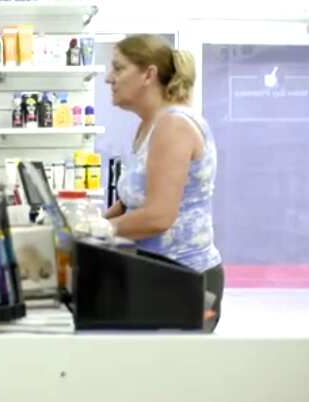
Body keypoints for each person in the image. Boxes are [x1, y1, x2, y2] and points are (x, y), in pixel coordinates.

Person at [102, 35, 223, 331]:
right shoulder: (148, 126)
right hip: (154, 272)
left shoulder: (174, 125)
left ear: (149, 74)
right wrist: (86, 223)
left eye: (118, 69)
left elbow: (158, 217)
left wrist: (93, 231)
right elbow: (132, 201)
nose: (108, 78)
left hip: (185, 279)